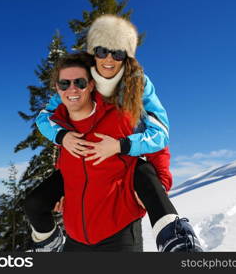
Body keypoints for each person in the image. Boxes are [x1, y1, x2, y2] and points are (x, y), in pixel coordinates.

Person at [26, 15, 202, 252]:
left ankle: (177, 242)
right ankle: (49, 243)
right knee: (34, 202)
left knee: (143, 172)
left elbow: (159, 135)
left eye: (117, 53)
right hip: (79, 221)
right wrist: (62, 138)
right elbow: (48, 117)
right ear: (93, 53)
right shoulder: (78, 82)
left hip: (119, 206)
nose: (108, 59)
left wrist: (122, 147)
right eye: (101, 51)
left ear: (126, 57)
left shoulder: (137, 86)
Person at [28, 53, 146, 251]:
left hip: (119, 232)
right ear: (57, 88)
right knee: (33, 203)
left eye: (80, 82)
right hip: (76, 236)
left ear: (91, 84)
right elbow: (64, 152)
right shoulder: (65, 116)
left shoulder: (122, 112)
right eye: (64, 84)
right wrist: (64, 184)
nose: (71, 89)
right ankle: (51, 244)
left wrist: (156, 185)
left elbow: (155, 145)